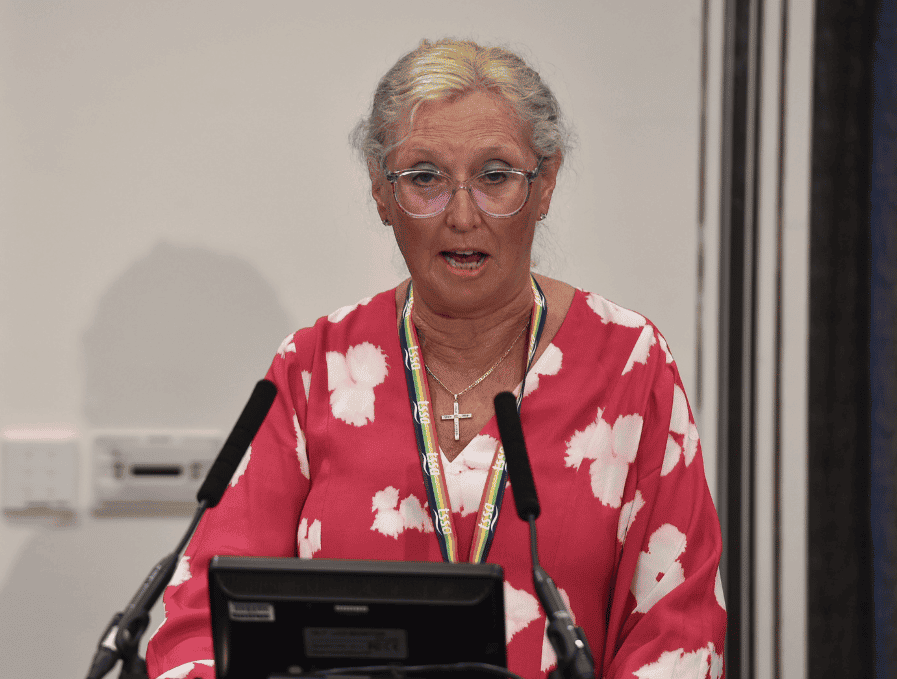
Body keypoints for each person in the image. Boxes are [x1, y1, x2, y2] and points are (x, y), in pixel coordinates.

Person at [145, 38, 726, 679]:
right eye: (425, 178)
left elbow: (680, 631)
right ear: (381, 192)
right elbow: (202, 621)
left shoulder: (628, 363)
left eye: (495, 176)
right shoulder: (315, 368)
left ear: (545, 184)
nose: (462, 216)